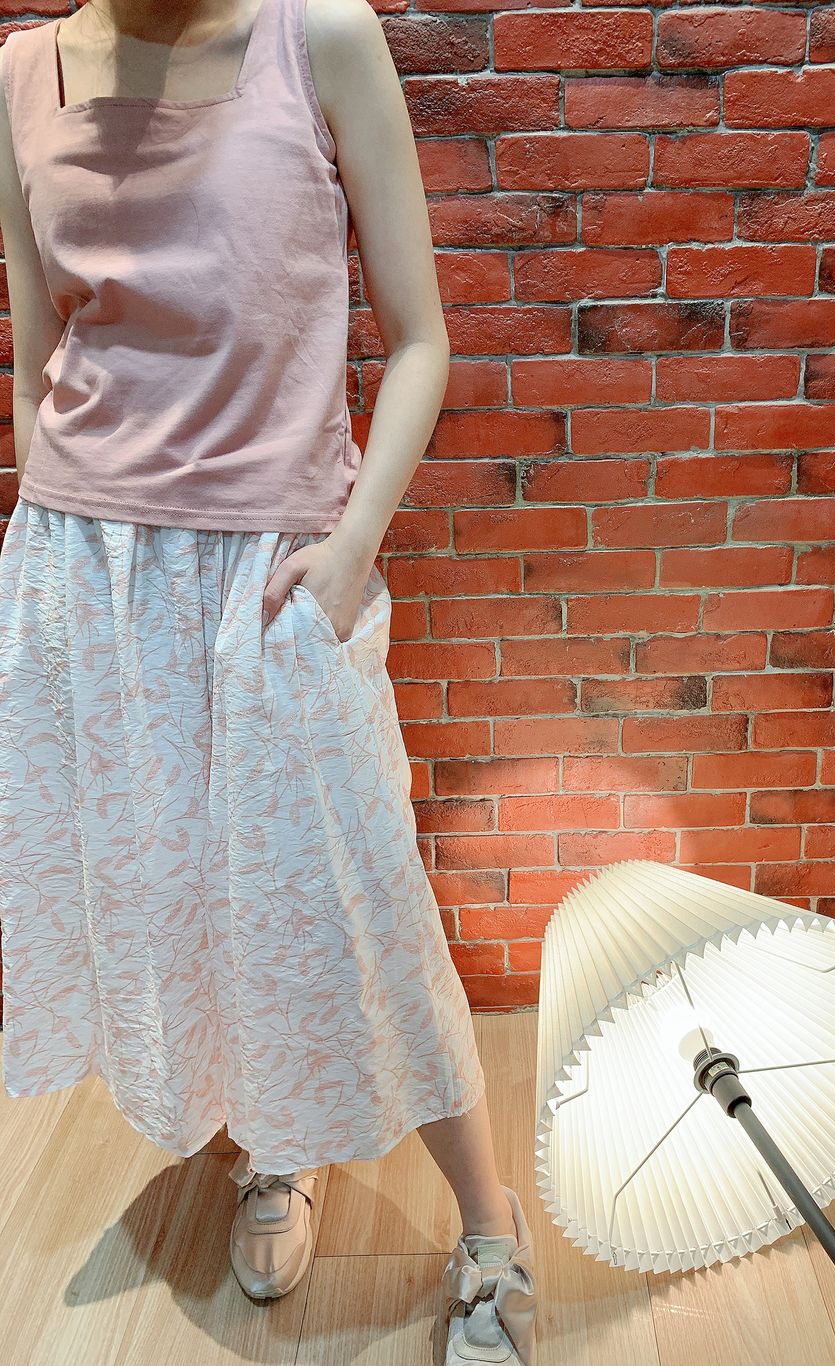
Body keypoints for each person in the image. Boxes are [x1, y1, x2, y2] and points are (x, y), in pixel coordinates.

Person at [0, 2, 538, 1361]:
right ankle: (274, 1148)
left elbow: (421, 336)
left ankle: (490, 1225)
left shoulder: (320, 38)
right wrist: (47, 546)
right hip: (86, 573)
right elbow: (36, 350)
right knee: (179, 890)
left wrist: (353, 549)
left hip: (275, 569)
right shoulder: (21, 70)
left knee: (355, 897)